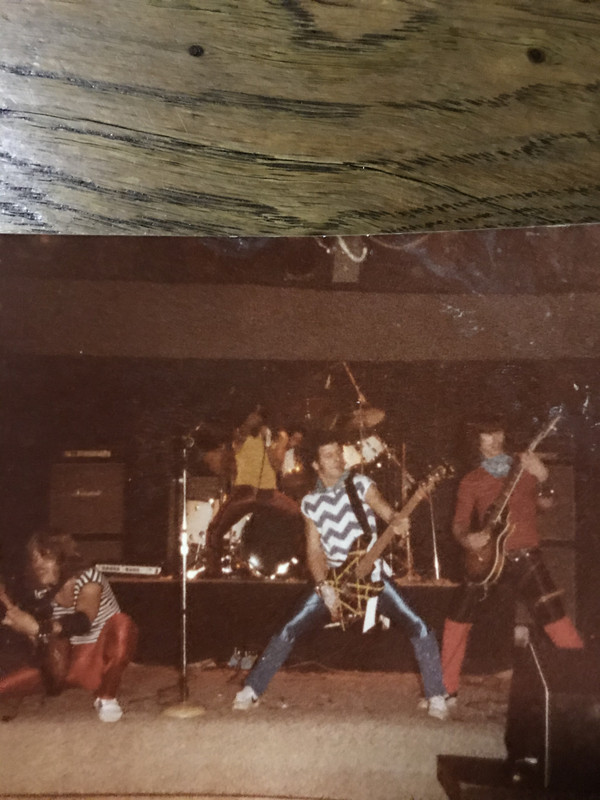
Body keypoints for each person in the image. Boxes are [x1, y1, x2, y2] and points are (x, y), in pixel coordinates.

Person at [232, 430, 449, 720]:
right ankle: (252, 689)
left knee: (419, 626)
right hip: (335, 580)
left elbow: (387, 513)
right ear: (316, 465)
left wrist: (398, 522)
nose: (338, 459)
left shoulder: (360, 484)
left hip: (371, 575)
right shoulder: (310, 503)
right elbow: (314, 550)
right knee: (288, 628)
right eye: (329, 455)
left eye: (338, 452)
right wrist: (324, 587)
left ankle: (436, 694)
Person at [441, 419, 584, 701]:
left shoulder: (524, 467)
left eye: (497, 432)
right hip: (486, 559)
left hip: (524, 555)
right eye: (486, 434)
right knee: (457, 619)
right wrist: (468, 539)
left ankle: (583, 688)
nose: (494, 439)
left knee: (556, 619)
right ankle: (445, 691)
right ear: (475, 440)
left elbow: (547, 504)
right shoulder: (472, 480)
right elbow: (458, 524)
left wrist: (543, 477)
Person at [0, 529, 138, 722]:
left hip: (99, 658)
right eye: (34, 558)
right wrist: (21, 624)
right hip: (65, 663)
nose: (38, 564)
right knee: (4, 686)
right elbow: (43, 645)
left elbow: (83, 621)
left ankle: (106, 697)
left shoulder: (89, 577)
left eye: (45, 556)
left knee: (123, 623)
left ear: (63, 557)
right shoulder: (39, 592)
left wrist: (39, 628)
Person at [203, 406, 303, 577]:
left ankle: (301, 568)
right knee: (215, 529)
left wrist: (273, 443)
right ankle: (213, 570)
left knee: (299, 517)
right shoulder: (240, 434)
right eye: (252, 415)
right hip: (244, 491)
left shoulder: (275, 437)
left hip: (268, 493)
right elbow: (239, 438)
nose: (255, 419)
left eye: (258, 416)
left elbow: (276, 464)